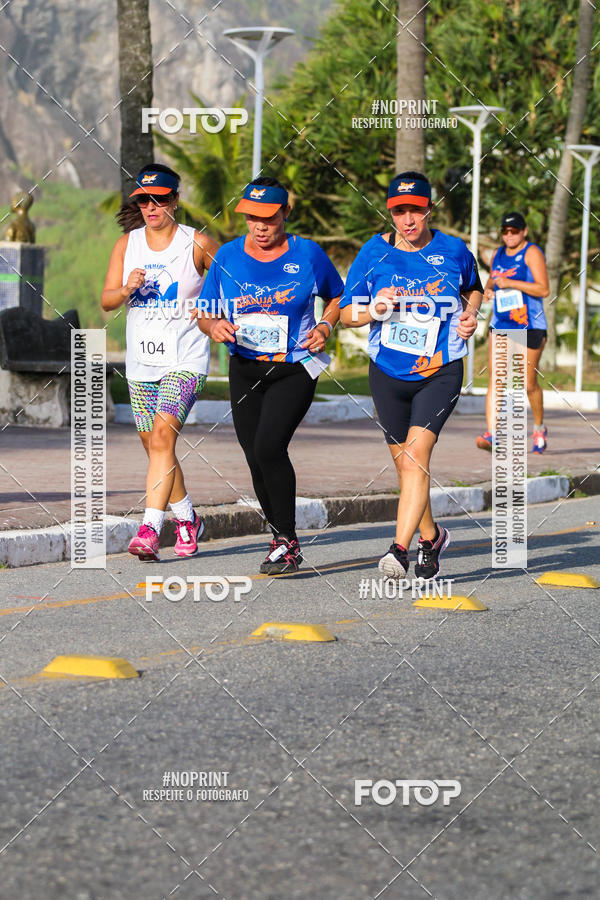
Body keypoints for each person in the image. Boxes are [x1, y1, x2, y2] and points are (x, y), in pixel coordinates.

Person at [339, 171, 482, 579]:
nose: (408, 220)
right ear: (390, 212)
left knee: (417, 457)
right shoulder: (373, 252)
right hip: (387, 372)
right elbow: (346, 314)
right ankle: (432, 537)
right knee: (407, 467)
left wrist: (470, 314)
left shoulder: (453, 250)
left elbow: (474, 288)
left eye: (415, 210)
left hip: (440, 369)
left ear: (429, 209)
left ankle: (398, 550)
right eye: (399, 211)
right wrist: (374, 309)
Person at [197, 176, 344, 575]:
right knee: (254, 455)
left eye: (269, 218)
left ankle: (288, 540)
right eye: (252, 218)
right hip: (245, 368)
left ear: (285, 213)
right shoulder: (227, 256)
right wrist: (213, 326)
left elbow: (337, 295)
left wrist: (326, 326)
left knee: (268, 447)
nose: (260, 227)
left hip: (294, 368)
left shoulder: (308, 254)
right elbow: (206, 311)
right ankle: (280, 537)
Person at [101, 163, 219, 561]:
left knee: (163, 439)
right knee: (155, 446)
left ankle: (150, 528)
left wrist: (213, 310)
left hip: (185, 359)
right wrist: (125, 288)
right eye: (144, 200)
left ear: (175, 200)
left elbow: (231, 282)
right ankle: (188, 519)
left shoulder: (196, 243)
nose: (152, 207)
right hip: (141, 363)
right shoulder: (127, 244)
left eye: (160, 199)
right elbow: (106, 301)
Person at [476, 212, 550, 453]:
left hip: (530, 324)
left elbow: (544, 289)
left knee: (528, 384)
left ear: (524, 231)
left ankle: (538, 427)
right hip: (502, 324)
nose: (509, 235)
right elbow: (491, 283)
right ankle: (492, 433)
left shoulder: (531, 252)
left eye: (514, 231)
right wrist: (488, 292)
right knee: (496, 380)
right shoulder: (497, 255)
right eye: (505, 231)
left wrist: (511, 284)